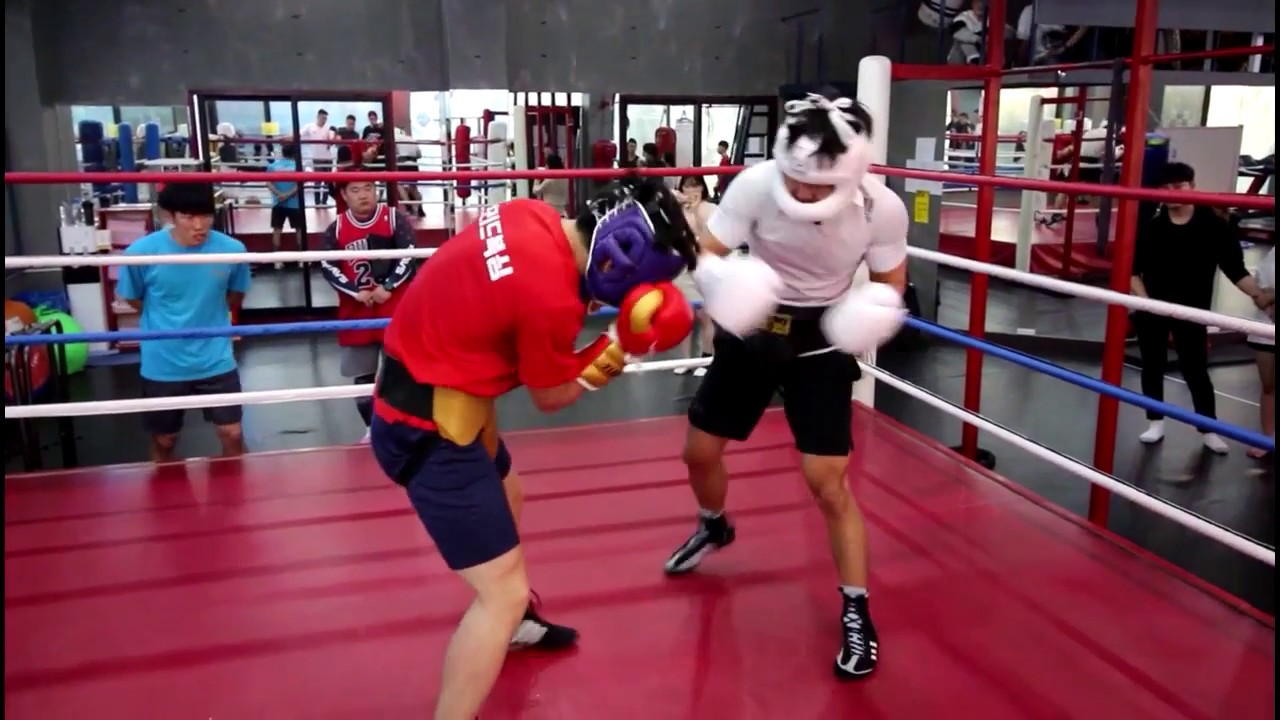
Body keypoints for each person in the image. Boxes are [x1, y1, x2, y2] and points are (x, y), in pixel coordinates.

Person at [369, 176, 699, 720]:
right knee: (500, 593)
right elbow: (552, 394)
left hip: (441, 384)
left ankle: (519, 625)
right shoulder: (549, 298)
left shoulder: (527, 213)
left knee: (509, 493)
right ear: (625, 261)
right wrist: (622, 345)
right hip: (427, 427)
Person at [663, 89, 911, 681]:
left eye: (817, 187)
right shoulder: (754, 185)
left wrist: (869, 312)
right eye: (796, 181)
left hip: (822, 340)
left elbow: (891, 282)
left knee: (826, 481)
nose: (801, 194)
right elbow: (709, 250)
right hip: (754, 330)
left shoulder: (882, 208)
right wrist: (722, 282)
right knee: (698, 452)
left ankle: (856, 608)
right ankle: (713, 523)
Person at [1130, 162, 1273, 454]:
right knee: (1152, 365)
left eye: (1179, 186)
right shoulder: (1151, 228)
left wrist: (1259, 295)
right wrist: (1145, 304)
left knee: (1195, 369)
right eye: (1166, 188)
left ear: (1191, 186)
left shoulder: (1213, 227)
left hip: (1194, 310)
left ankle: (1208, 428)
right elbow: (1132, 271)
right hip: (1153, 309)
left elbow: (1235, 269)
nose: (1172, 193)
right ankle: (1155, 421)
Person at [116, 183, 252, 463]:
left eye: (205, 216)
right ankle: (166, 501)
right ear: (169, 217)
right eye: (189, 217)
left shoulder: (232, 250)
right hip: (163, 362)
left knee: (233, 434)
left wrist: (208, 317)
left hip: (215, 359)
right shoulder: (141, 253)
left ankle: (236, 499)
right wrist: (167, 320)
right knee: (165, 441)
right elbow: (133, 298)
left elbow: (236, 295)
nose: (199, 225)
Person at [318, 176, 418, 443]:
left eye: (369, 188)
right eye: (356, 190)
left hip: (393, 307)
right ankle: (372, 428)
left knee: (402, 370)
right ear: (344, 195)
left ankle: (405, 426)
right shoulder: (336, 228)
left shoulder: (395, 219)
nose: (364, 195)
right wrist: (355, 291)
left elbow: (409, 252)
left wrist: (389, 285)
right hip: (356, 312)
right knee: (363, 375)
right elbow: (328, 266)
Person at [672, 175, 716, 377]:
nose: (692, 189)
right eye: (687, 186)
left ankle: (707, 359)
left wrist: (697, 209)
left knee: (706, 316)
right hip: (683, 267)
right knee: (684, 316)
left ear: (703, 187)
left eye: (696, 185)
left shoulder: (711, 209)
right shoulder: (678, 211)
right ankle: (687, 360)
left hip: (705, 266)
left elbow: (707, 237)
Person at [1245, 246, 1275, 459]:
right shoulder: (1272, 253)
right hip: (1266, 325)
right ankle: (1267, 438)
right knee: (1268, 385)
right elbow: (1257, 287)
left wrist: (1271, 295)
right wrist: (1265, 302)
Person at [266, 143, 304, 269]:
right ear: (294, 153)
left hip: (278, 202)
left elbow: (268, 183)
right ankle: (302, 259)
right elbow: (300, 184)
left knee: (277, 229)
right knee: (299, 229)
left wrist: (280, 195)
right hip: (294, 203)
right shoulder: (298, 167)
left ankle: (277, 261)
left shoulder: (273, 166)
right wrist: (287, 195)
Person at [299, 108, 336, 206]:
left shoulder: (328, 128)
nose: (324, 120)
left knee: (327, 182)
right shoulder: (310, 127)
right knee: (317, 181)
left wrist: (331, 140)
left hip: (328, 159)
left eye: (325, 119)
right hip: (317, 158)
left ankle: (324, 201)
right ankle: (316, 201)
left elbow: (332, 139)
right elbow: (299, 134)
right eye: (323, 118)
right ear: (318, 117)